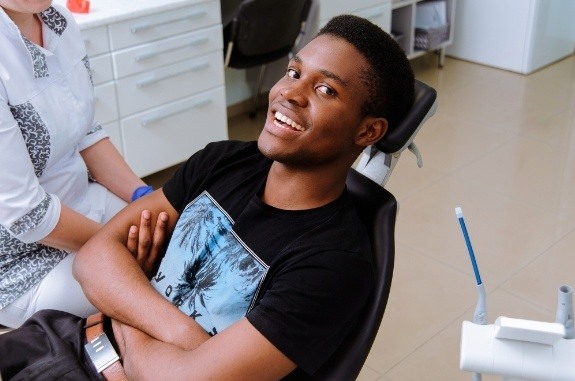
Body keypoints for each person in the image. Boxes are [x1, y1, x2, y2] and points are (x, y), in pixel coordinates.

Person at [0, 14, 415, 380]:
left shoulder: (333, 263)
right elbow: (92, 259)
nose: (290, 93)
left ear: (367, 132)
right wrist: (181, 332)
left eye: (326, 90)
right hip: (66, 341)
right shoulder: (224, 160)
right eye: (293, 72)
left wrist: (129, 296)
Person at [0, 0, 153, 328]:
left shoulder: (59, 21)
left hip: (80, 202)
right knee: (150, 293)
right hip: (17, 261)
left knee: (172, 243)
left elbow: (85, 132)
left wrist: (144, 196)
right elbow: (27, 216)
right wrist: (118, 244)